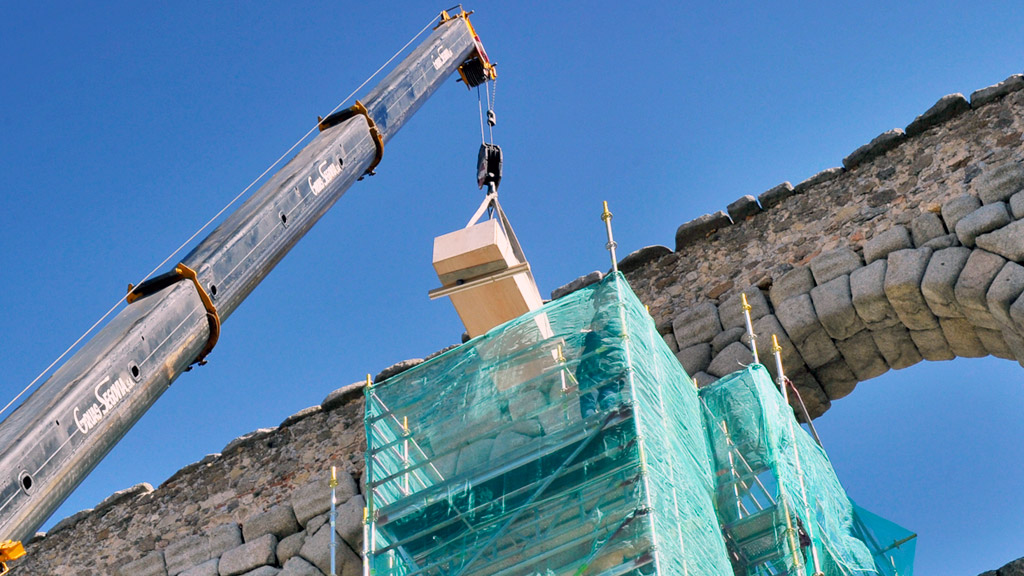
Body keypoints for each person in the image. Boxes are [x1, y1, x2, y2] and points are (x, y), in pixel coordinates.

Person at [575, 280, 628, 418]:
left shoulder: (595, 337)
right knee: (608, 393)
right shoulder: (617, 340)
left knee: (589, 400)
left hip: (591, 370)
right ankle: (613, 413)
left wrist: (585, 333)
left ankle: (590, 422)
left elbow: (583, 341)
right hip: (612, 369)